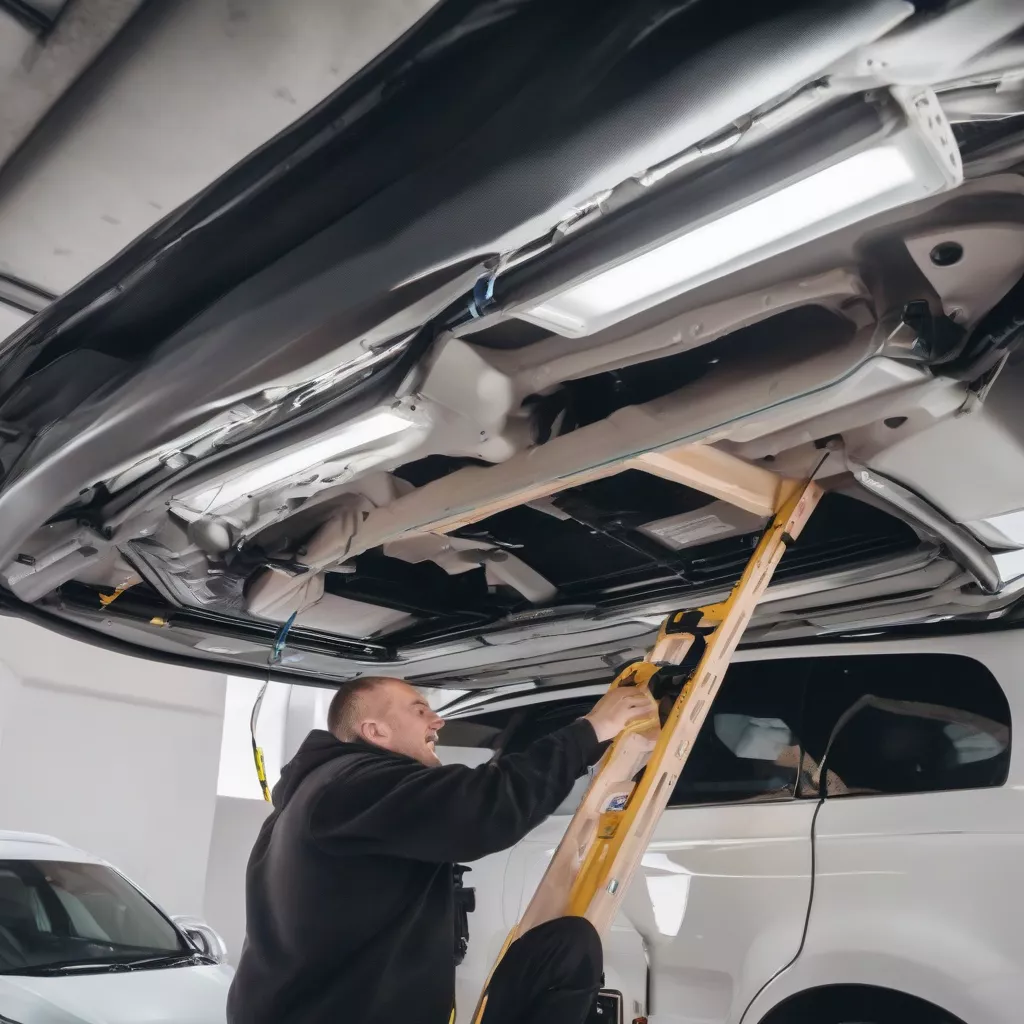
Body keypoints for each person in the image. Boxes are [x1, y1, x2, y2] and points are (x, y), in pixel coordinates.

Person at [227, 674, 657, 1024]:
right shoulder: (348, 785)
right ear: (375, 731)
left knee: (565, 947)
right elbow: (482, 807)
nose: (437, 720)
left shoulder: (323, 794)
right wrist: (592, 730)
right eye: (419, 710)